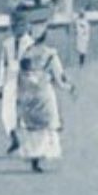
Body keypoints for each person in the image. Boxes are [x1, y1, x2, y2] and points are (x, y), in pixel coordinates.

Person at [15, 25, 77, 173]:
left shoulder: (26, 54)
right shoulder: (50, 54)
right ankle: (41, 155)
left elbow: (21, 76)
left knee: (32, 127)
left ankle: (33, 157)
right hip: (43, 92)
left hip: (28, 93)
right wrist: (69, 87)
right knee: (46, 125)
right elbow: (59, 76)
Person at [0, 25, 31, 155]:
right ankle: (14, 138)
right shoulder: (7, 43)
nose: (18, 26)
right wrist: (0, 85)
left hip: (24, 79)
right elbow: (2, 64)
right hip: (9, 80)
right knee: (6, 112)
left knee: (24, 112)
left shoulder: (30, 43)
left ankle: (29, 145)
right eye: (16, 23)